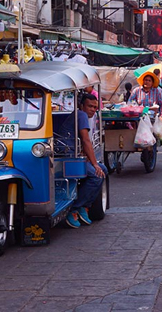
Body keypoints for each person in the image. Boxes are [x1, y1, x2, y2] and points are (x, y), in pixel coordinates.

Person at [61, 94, 107, 229]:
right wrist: (94, 164)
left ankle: (85, 206)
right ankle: (75, 208)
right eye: (90, 106)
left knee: (103, 169)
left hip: (74, 154)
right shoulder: (81, 115)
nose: (93, 110)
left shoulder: (82, 115)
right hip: (67, 156)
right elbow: (86, 140)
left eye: (95, 107)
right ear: (81, 106)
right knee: (97, 174)